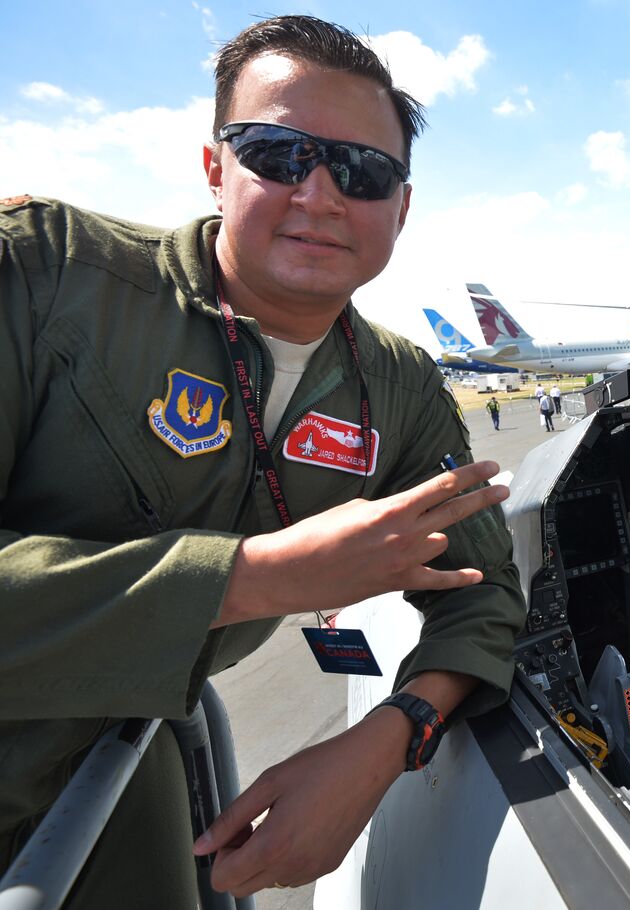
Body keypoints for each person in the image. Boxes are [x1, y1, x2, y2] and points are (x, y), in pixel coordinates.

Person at [0, 15, 525, 905]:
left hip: (117, 774)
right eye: (278, 153)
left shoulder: (395, 385)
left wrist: (392, 737)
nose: (319, 195)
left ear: (400, 206)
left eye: (361, 172)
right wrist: (248, 579)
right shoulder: (44, 277)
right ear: (215, 166)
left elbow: (486, 593)